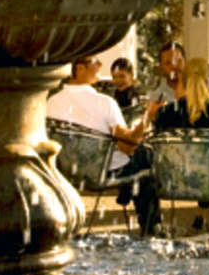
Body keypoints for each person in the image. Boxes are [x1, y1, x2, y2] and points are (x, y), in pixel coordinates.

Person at [51, 56, 157, 234]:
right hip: (100, 172)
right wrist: (148, 117)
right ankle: (151, 229)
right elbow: (130, 143)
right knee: (146, 156)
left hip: (67, 172)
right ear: (80, 68)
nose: (101, 64)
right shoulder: (105, 103)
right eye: (95, 60)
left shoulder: (52, 102)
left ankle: (128, 197)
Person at [151, 58, 209, 245]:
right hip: (206, 182)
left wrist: (152, 116)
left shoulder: (167, 112)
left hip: (173, 181)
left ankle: (153, 227)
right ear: (206, 81)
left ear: (182, 80)